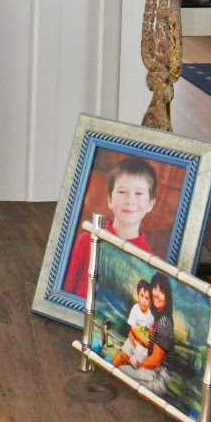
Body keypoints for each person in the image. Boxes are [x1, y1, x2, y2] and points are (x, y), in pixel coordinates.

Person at [63, 156, 158, 298]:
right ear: (109, 200)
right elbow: (64, 294)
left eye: (139, 193)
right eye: (122, 192)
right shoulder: (86, 241)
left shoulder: (150, 263)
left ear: (150, 204)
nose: (130, 201)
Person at [120, 272, 176, 394]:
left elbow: (155, 360)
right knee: (121, 366)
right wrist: (132, 333)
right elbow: (144, 332)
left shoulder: (163, 323)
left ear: (167, 296)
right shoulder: (156, 315)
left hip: (159, 377)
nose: (157, 294)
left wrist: (134, 363)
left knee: (120, 370)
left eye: (162, 292)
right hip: (152, 369)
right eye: (155, 289)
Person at [111, 279, 153, 369]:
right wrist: (139, 337)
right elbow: (132, 328)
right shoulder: (135, 309)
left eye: (147, 298)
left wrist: (149, 338)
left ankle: (127, 363)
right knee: (121, 355)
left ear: (151, 302)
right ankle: (111, 367)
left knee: (136, 364)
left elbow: (152, 330)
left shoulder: (152, 315)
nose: (143, 300)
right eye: (141, 296)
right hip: (133, 341)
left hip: (143, 348)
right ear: (138, 295)